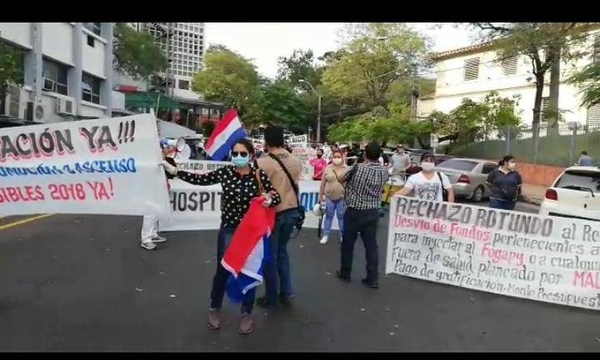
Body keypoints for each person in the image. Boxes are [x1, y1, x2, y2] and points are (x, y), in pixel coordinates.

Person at [162, 138, 281, 335]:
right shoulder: (225, 172)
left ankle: (246, 313)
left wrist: (269, 199)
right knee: (223, 270)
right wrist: (176, 172)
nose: (238, 157)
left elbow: (276, 195)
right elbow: (201, 179)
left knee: (249, 271)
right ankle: (214, 308)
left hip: (251, 233)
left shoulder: (259, 175)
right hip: (229, 231)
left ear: (251, 155)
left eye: (243, 154)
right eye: (235, 154)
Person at [255, 126, 303, 308]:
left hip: (273, 213)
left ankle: (271, 296)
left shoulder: (263, 163)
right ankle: (286, 291)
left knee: (270, 255)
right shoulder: (295, 161)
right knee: (282, 251)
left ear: (266, 141)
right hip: (292, 210)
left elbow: (259, 189)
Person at [336, 142, 389, 289]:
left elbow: (341, 179)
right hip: (372, 211)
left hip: (354, 210)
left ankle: (345, 272)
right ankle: (372, 278)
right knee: (371, 246)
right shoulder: (384, 172)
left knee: (348, 244)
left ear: (365, 154)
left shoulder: (358, 167)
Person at [140, 146, 173, 250]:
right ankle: (145, 239)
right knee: (150, 213)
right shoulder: (148, 150)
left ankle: (153, 234)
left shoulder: (156, 147)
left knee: (156, 211)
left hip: (157, 183)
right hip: (150, 184)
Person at [318, 149, 348, 245]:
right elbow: (322, 184)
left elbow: (350, 185)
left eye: (339, 157)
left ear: (342, 158)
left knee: (341, 216)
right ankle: (326, 235)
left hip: (342, 197)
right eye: (335, 157)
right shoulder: (327, 168)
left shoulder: (347, 169)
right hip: (329, 197)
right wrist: (321, 196)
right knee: (328, 216)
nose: (336, 159)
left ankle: (342, 235)